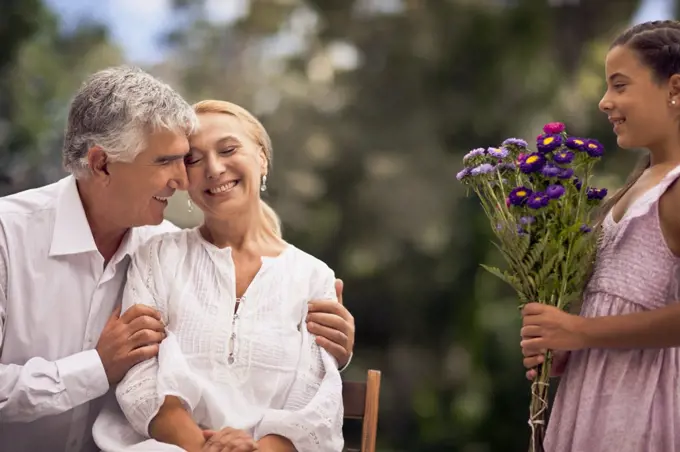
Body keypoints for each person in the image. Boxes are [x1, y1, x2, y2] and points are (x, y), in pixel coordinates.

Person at [0, 67, 355, 452]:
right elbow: (146, 388)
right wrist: (97, 367)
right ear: (102, 164)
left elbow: (269, 342)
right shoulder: (9, 234)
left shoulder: (164, 245)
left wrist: (331, 349)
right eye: (168, 161)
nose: (183, 180)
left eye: (182, 161)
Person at [92, 99, 344, 452]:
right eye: (193, 159)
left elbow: (316, 400)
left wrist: (257, 450)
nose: (213, 168)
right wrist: (202, 448)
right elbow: (142, 380)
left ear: (262, 158)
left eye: (228, 149)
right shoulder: (158, 257)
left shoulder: (313, 277)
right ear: (183, 179)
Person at [520, 20, 680, 452]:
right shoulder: (639, 185)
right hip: (592, 400)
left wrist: (580, 332)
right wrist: (565, 345)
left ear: (676, 88)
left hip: (641, 411)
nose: (605, 101)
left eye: (620, 85)